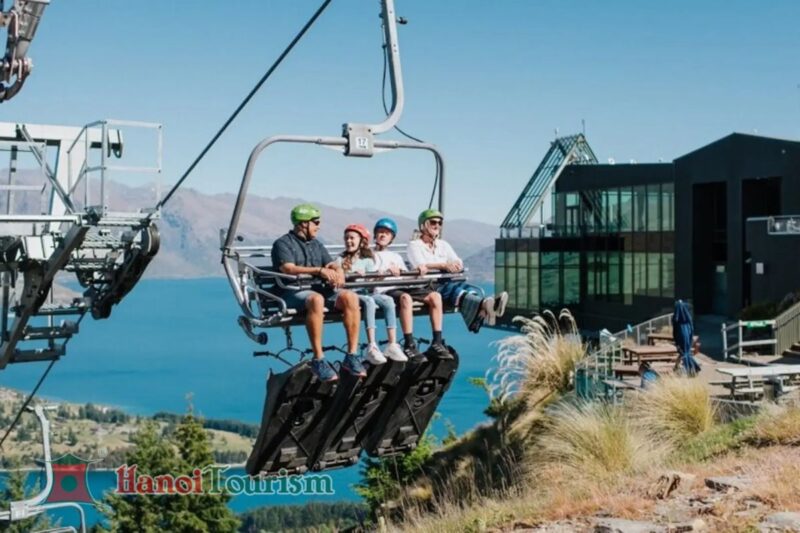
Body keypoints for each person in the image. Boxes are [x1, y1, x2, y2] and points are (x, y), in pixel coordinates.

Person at [271, 204, 366, 382]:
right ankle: (318, 359)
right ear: (303, 224)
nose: (318, 225)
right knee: (316, 300)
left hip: (320, 291)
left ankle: (351, 356)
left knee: (351, 297)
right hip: (293, 292)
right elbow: (288, 268)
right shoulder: (283, 244)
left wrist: (337, 270)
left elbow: (330, 263)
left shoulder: (316, 244)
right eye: (315, 222)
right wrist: (318, 271)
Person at [406, 209, 508, 337]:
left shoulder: (443, 245)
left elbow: (456, 259)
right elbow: (419, 264)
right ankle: (486, 306)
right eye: (433, 222)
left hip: (446, 281)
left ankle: (485, 310)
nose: (437, 225)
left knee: (467, 289)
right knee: (456, 291)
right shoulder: (415, 245)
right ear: (424, 225)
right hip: (429, 285)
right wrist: (443, 265)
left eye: (440, 223)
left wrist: (456, 264)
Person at [372, 217, 446, 359]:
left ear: (391, 238)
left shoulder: (396, 256)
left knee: (435, 296)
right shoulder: (370, 255)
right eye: (380, 232)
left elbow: (407, 277)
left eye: (386, 233)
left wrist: (418, 272)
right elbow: (368, 275)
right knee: (405, 298)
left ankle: (437, 341)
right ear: (375, 235)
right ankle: (409, 343)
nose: (382, 235)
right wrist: (385, 272)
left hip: (401, 286)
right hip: (385, 289)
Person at [337, 223, 407, 365]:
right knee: (369, 302)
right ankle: (372, 345)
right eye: (346, 238)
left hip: (366, 291)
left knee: (387, 300)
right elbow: (339, 278)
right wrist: (352, 275)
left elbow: (371, 281)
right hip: (352, 294)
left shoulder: (367, 260)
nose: (349, 241)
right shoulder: (341, 259)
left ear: (361, 241)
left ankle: (392, 344)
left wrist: (377, 276)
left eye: (352, 238)